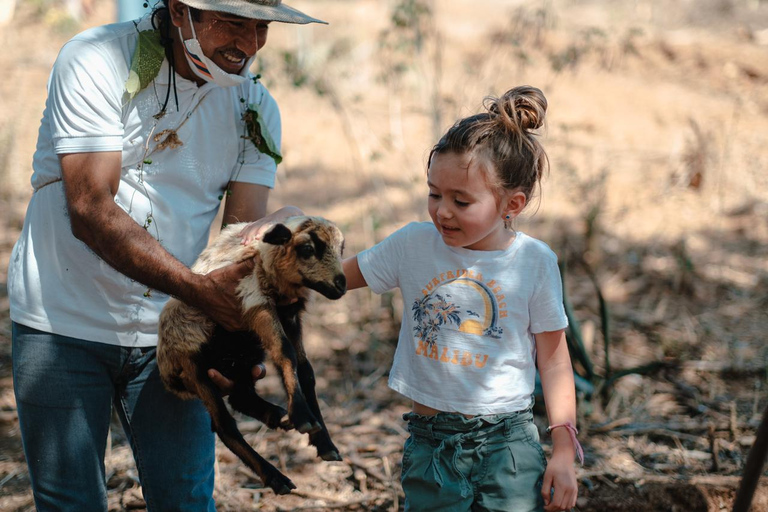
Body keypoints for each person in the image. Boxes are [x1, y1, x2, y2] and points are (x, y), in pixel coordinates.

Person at [7, 0, 326, 510]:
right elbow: (90, 208)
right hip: (60, 319)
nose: (248, 45)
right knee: (69, 503)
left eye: (261, 27)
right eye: (232, 23)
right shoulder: (96, 60)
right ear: (179, 12)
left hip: (172, 332)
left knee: (185, 499)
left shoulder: (255, 107)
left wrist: (231, 342)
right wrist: (200, 293)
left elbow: (237, 243)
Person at [340, 86, 581, 511]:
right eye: (434, 193)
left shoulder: (534, 263)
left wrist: (563, 449)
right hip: (431, 445)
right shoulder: (412, 245)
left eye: (461, 200)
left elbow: (555, 359)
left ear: (513, 203)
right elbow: (335, 279)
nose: (442, 211)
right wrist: (276, 251)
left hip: (508, 445)